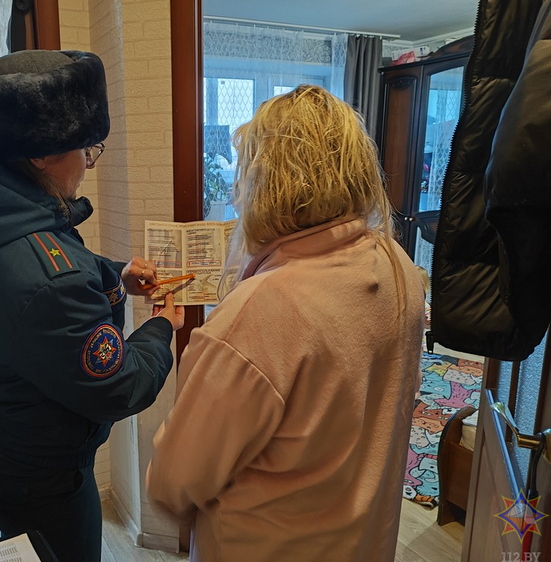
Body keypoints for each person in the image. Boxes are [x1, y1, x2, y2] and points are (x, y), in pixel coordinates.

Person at [147, 85, 425, 561]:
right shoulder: (398, 263)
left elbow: (174, 481)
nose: (236, 195)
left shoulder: (259, 311)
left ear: (266, 183)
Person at [0, 49, 184, 562]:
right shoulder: (46, 277)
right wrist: (162, 328)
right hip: (45, 480)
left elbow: (38, 284)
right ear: (42, 155)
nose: (88, 166)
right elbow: (120, 386)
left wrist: (115, 276)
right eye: (86, 150)